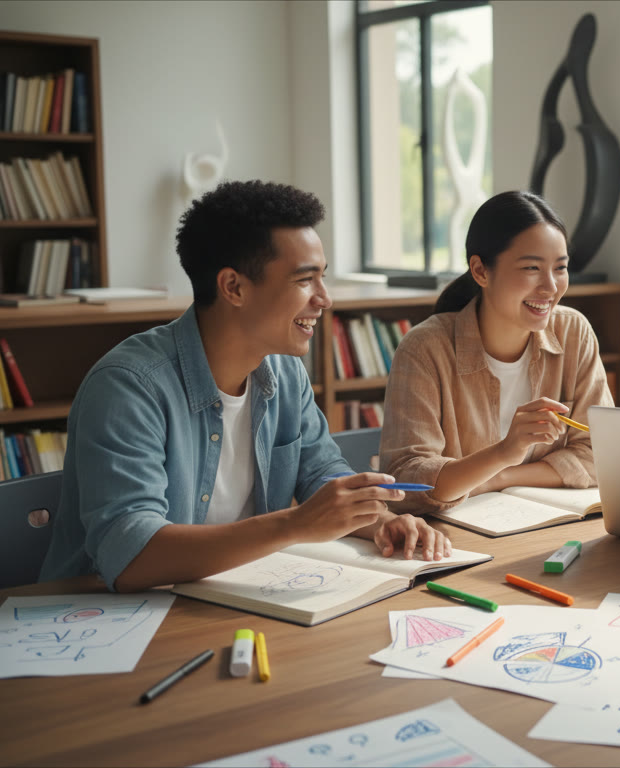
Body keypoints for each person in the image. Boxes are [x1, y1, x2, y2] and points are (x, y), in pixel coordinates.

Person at [40, 180, 447, 592]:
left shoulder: (285, 374)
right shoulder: (128, 388)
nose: (324, 299)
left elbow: (322, 474)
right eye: (305, 280)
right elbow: (130, 556)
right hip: (106, 618)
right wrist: (294, 524)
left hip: (229, 597)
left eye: (322, 278)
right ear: (234, 287)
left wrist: (383, 520)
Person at [379, 190, 611, 512]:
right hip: (453, 537)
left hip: (540, 526)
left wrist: (500, 477)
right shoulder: (425, 349)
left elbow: (600, 455)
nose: (550, 286)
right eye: (531, 268)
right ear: (481, 271)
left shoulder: (574, 333)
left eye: (560, 268)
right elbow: (407, 480)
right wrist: (503, 453)